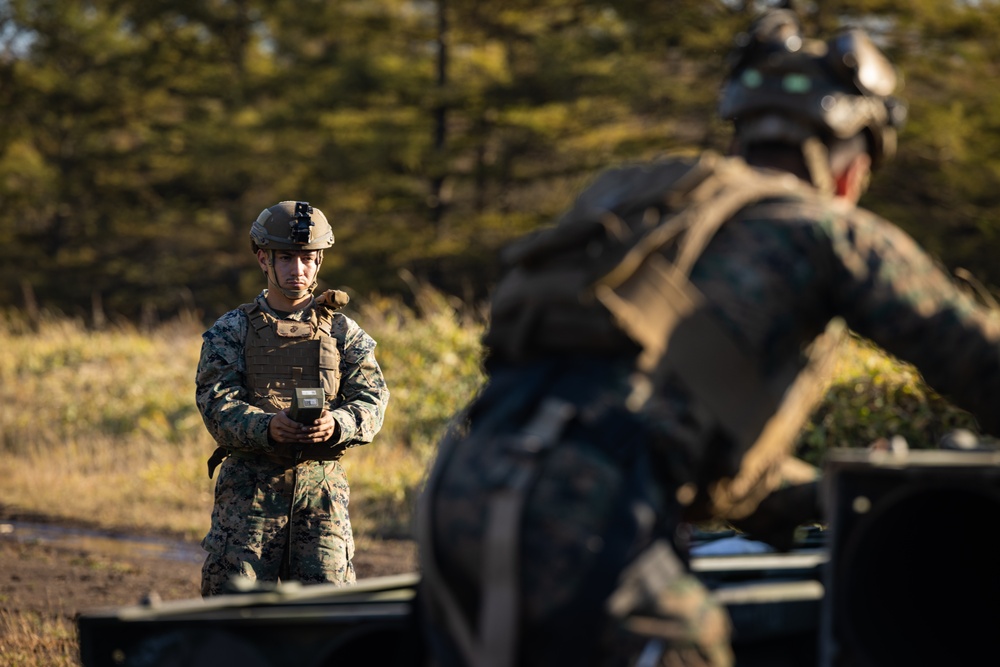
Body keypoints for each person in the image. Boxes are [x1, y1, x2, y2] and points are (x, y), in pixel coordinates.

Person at [416, 10, 1000, 667]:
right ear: (850, 167)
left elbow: (668, 437)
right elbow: (979, 361)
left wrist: (830, 495)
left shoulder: (643, 203)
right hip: (589, 518)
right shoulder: (827, 233)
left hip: (460, 493)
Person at [196, 200, 389, 596]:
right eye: (286, 258)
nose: (297, 270)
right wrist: (267, 427)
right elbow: (216, 403)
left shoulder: (343, 332)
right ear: (263, 259)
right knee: (231, 621)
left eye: (306, 259)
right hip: (249, 498)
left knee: (329, 619)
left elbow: (373, 398)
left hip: (322, 498)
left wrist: (338, 423)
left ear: (319, 262)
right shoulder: (232, 330)